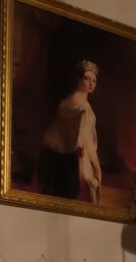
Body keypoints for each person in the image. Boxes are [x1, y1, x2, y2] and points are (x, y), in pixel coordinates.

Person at [35, 59, 102, 203]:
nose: (91, 84)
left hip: (57, 160)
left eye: (94, 81)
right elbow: (87, 141)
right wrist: (97, 168)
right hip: (75, 162)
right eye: (87, 79)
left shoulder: (69, 100)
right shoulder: (82, 107)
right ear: (78, 79)